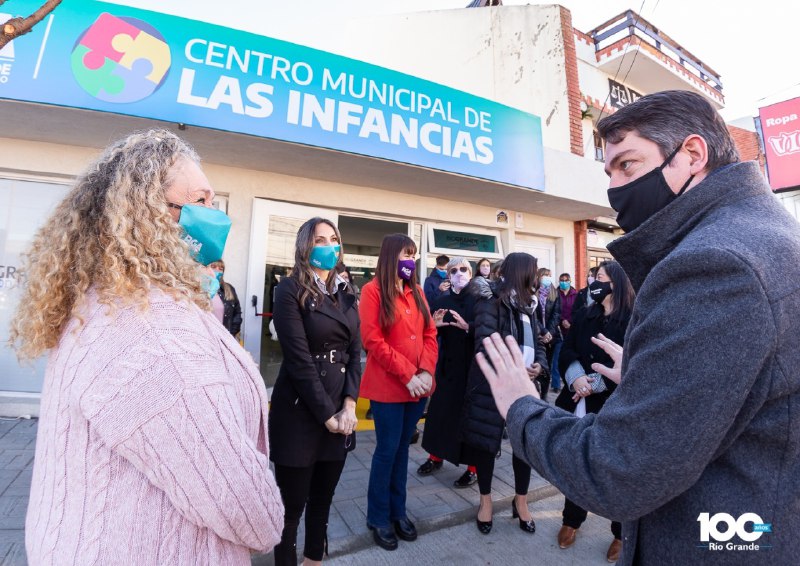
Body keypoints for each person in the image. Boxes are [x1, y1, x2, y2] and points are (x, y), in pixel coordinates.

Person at [477, 90, 800, 566]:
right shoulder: (765, 233)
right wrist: (657, 378)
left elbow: (620, 471)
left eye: (627, 165)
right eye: (608, 172)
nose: (615, 188)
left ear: (692, 154)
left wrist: (520, 406)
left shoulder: (714, 263)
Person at [11, 130, 284, 564]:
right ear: (149, 214)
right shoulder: (149, 330)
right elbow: (248, 510)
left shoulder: (118, 301)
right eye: (202, 200)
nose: (215, 214)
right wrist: (271, 510)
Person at [269, 217, 361, 566]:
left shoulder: (346, 291)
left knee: (323, 500)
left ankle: (313, 561)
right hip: (300, 413)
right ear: (305, 246)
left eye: (333, 239)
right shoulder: (288, 289)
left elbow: (355, 353)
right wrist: (328, 415)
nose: (328, 245)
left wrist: (349, 404)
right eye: (320, 239)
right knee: (291, 507)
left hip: (341, 411)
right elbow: (299, 360)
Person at [358, 234, 438, 551]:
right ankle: (378, 517)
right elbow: (373, 341)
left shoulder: (417, 291)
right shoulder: (372, 291)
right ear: (391, 255)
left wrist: (426, 371)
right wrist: (408, 374)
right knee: (387, 450)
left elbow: (430, 333)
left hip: (417, 386)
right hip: (389, 386)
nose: (411, 260)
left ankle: (398, 511)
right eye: (407, 253)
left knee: (403, 450)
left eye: (414, 254)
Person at [461, 253, 547, 536]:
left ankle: (520, 501)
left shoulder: (530, 306)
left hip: (525, 388)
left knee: (524, 445)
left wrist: (539, 366)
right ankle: (485, 502)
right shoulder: (491, 302)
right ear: (522, 273)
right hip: (491, 388)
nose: (538, 277)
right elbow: (485, 345)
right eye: (534, 272)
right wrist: (515, 370)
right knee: (486, 446)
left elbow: (540, 343)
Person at [554, 261, 634, 562]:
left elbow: (633, 364)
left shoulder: (634, 320)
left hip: (613, 406)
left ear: (616, 283)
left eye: (599, 278)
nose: (592, 282)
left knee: (613, 470)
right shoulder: (585, 313)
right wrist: (576, 377)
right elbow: (568, 349)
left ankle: (620, 532)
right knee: (577, 463)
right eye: (592, 278)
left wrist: (596, 383)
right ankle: (571, 520)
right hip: (578, 400)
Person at [418, 257, 478, 488]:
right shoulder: (442, 300)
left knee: (470, 419)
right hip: (448, 367)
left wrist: (469, 327)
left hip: (473, 368)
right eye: (454, 270)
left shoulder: (481, 300)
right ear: (448, 274)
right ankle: (435, 456)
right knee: (440, 414)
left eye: (464, 269)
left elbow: (490, 329)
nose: (459, 273)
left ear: (471, 273)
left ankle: (473, 468)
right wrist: (434, 327)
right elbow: (430, 332)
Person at [534, 267, 560, 399]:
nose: (547, 278)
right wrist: (542, 332)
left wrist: (549, 332)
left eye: (549, 275)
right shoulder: (533, 292)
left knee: (548, 367)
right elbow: (533, 316)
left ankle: (544, 394)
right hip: (537, 335)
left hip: (551, 337)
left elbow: (556, 314)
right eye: (545, 275)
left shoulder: (554, 292)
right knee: (538, 366)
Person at [550, 272, 578, 393]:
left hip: (572, 331)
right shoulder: (555, 294)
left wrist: (570, 322)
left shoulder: (576, 295)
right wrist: (562, 321)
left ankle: (570, 380)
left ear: (570, 281)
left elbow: (579, 310)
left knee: (571, 357)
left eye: (566, 280)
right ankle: (556, 384)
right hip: (558, 331)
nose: (564, 282)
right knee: (556, 358)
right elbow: (553, 311)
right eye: (562, 280)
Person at [209, 259, 243, 337]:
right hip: (207, 338)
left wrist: (231, 333)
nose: (217, 270)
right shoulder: (199, 288)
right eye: (213, 267)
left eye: (221, 269)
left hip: (225, 337)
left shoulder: (229, 288)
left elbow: (237, 313)